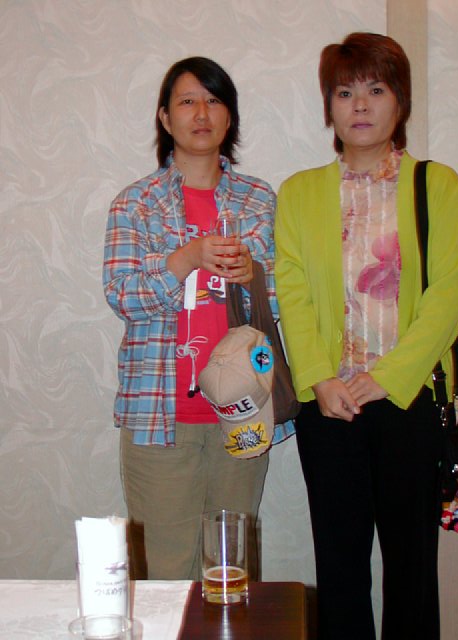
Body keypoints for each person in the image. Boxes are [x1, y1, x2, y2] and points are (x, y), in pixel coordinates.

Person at [275, 32, 458, 640]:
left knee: (412, 571)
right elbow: (293, 293)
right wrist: (318, 378)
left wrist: (386, 379)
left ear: (400, 102)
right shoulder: (299, 192)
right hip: (329, 404)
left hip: (408, 401)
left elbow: (447, 298)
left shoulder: (437, 186)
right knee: (339, 570)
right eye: (344, 92)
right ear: (329, 107)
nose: (359, 104)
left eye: (376, 89)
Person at [103, 56, 293, 581]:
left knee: (231, 569)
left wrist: (254, 277)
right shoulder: (135, 204)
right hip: (159, 415)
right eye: (187, 101)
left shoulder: (259, 200)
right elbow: (121, 296)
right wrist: (183, 260)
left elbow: (287, 297)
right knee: (166, 573)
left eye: (213, 100)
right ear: (165, 118)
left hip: (245, 408)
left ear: (229, 116)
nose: (202, 113)